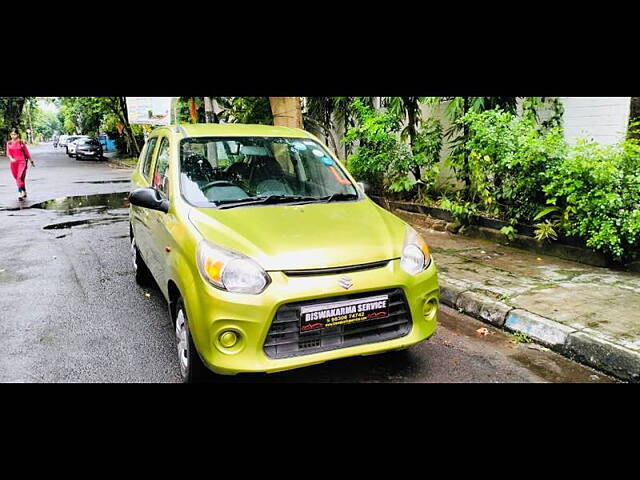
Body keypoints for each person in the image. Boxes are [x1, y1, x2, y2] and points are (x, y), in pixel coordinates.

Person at [6, 128, 35, 200]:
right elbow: (8, 153)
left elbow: (26, 152)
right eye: (12, 134)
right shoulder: (9, 143)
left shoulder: (21, 143)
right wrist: (11, 158)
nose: (13, 136)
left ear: (17, 135)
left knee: (19, 177)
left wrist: (31, 160)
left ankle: (19, 192)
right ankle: (24, 191)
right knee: (19, 178)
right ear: (10, 135)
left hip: (22, 162)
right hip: (13, 163)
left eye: (14, 134)